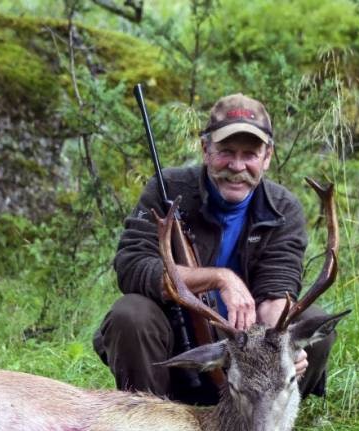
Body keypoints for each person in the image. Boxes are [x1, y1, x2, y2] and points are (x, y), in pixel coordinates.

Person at [93, 93, 336, 405]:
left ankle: (270, 426)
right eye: (226, 152)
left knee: (317, 324)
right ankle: (147, 419)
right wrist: (219, 278)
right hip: (176, 354)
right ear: (205, 149)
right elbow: (133, 267)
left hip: (249, 357)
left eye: (250, 154)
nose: (237, 166)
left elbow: (276, 293)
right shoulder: (166, 190)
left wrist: (287, 347)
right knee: (131, 313)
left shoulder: (282, 208)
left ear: (268, 156)